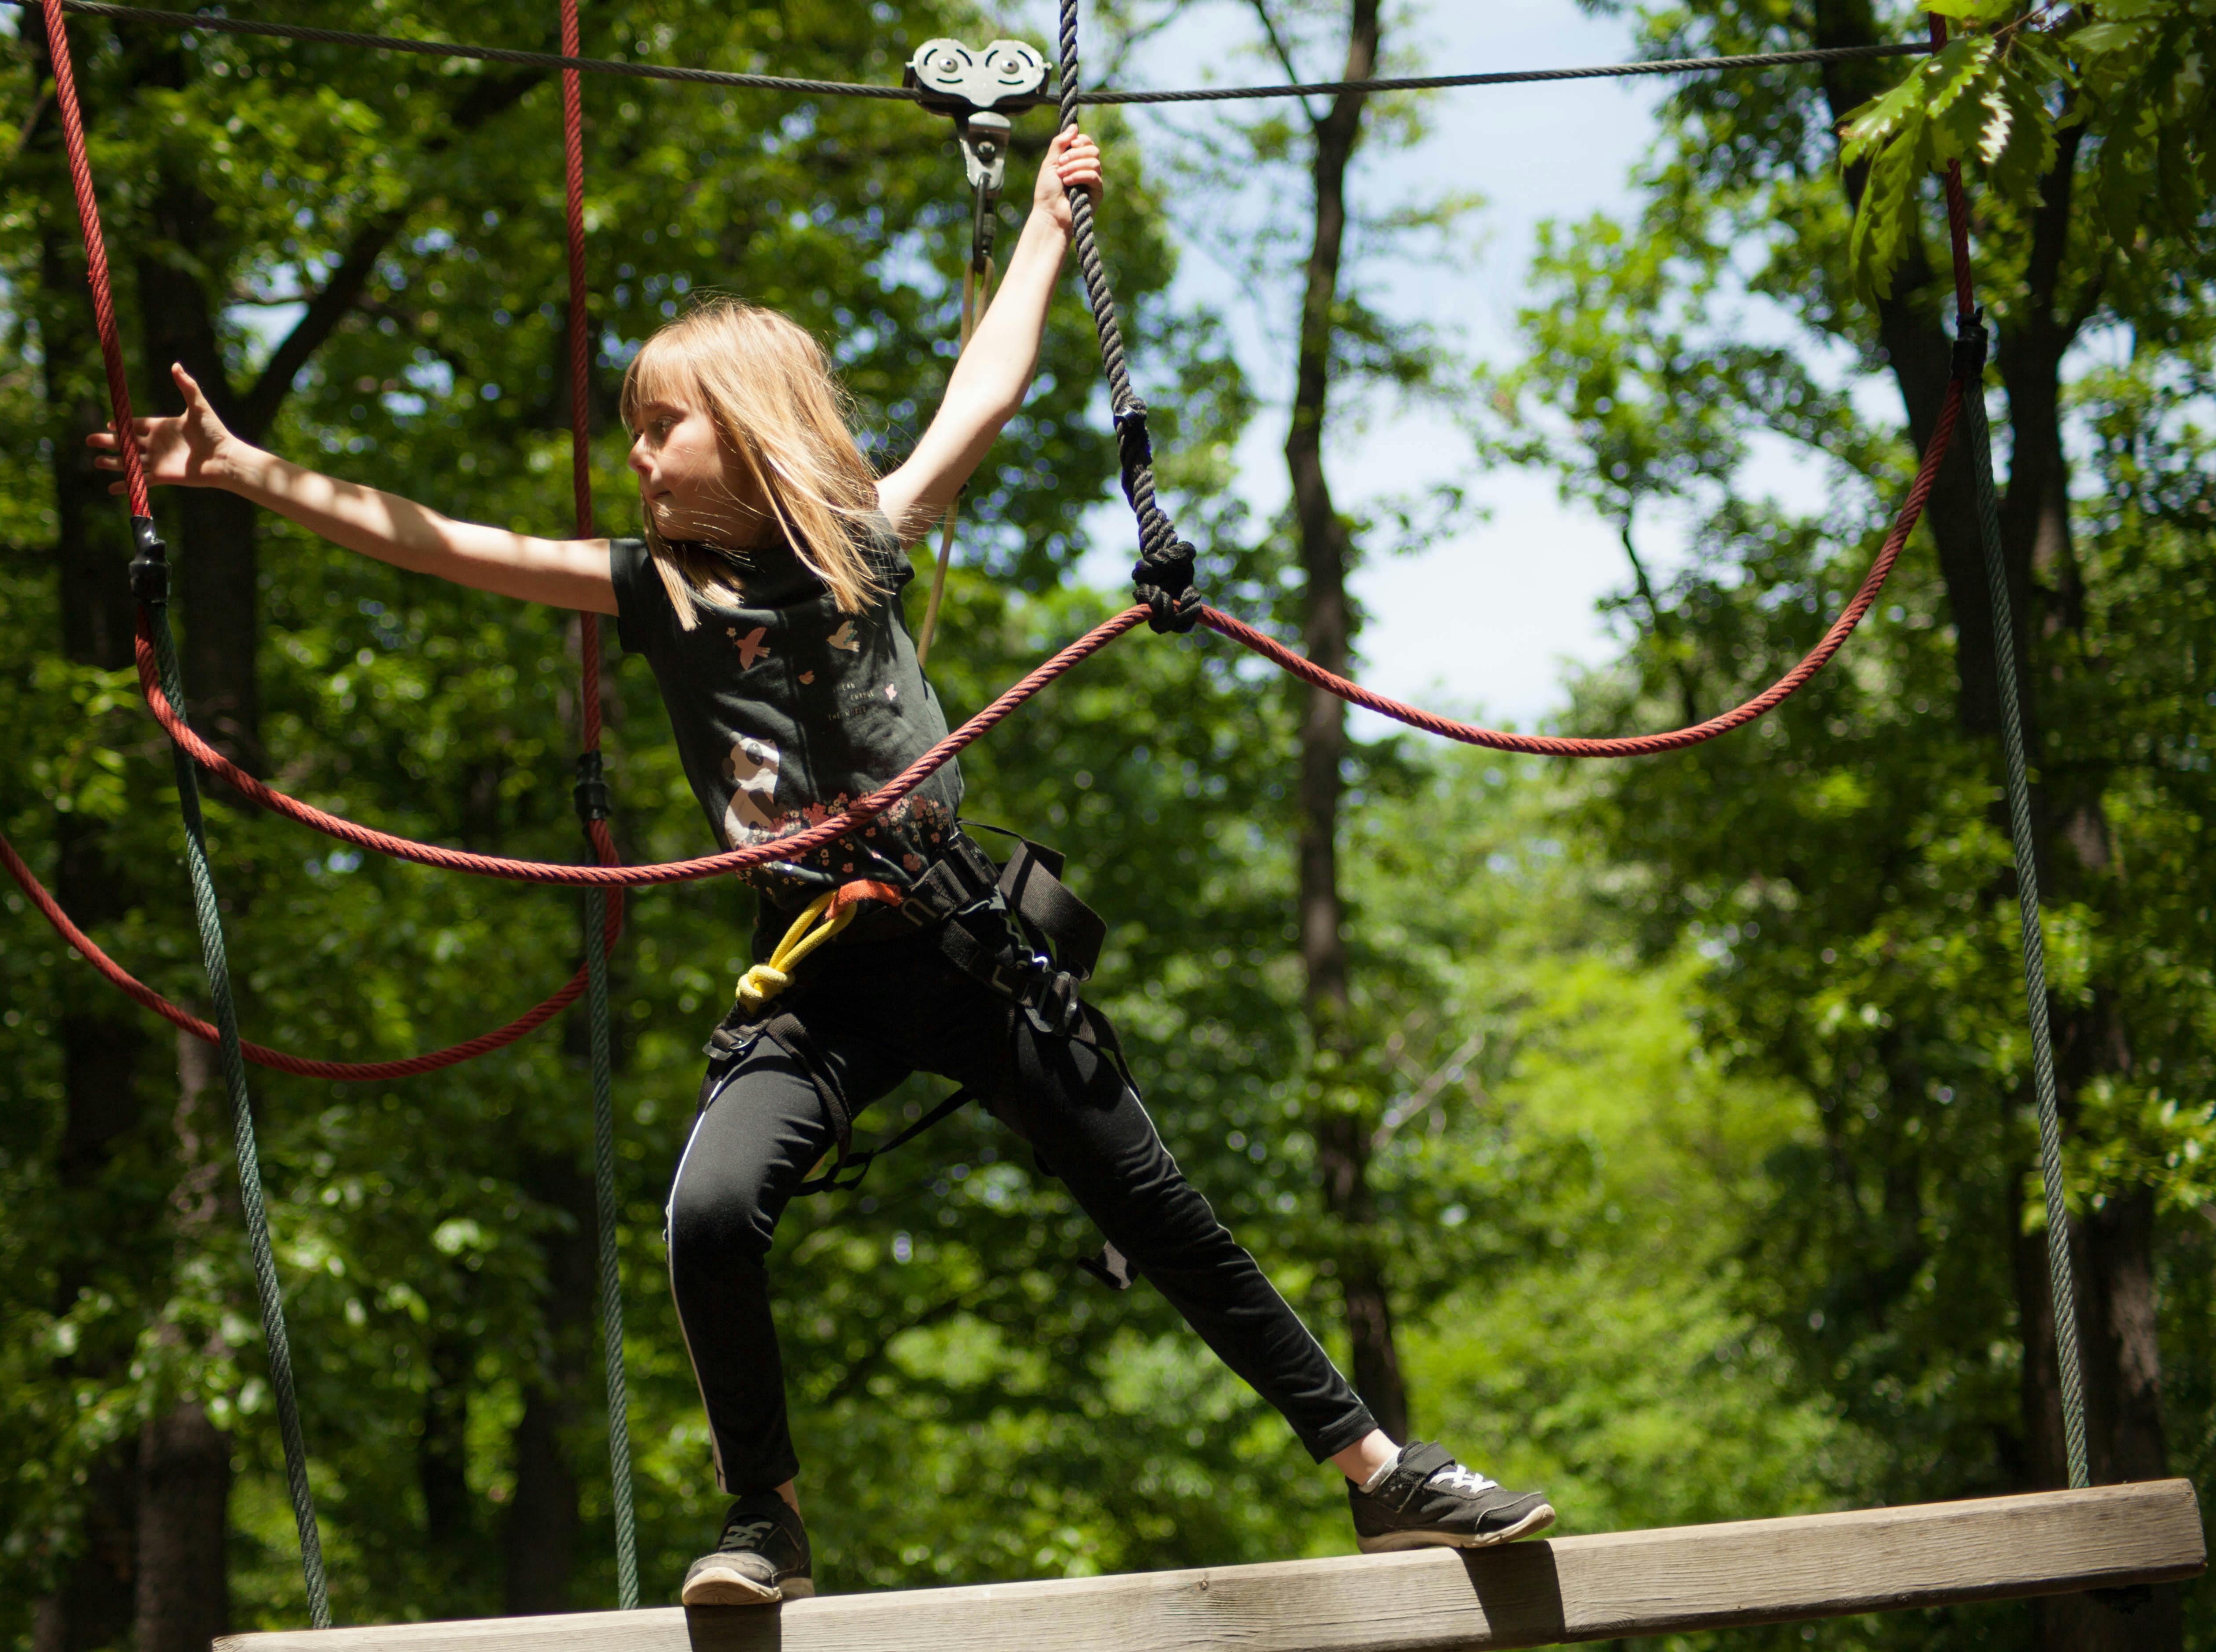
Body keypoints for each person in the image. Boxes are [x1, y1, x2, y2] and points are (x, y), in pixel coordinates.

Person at [93, 124, 1554, 1607]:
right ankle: (765, 1518)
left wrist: (1049, 221)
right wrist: (247, 473)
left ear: (750, 427)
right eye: (638, 425)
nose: (640, 451)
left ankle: (1382, 1476)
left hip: (964, 951)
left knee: (1156, 1204)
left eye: (664, 423)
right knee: (710, 1213)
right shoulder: (644, 588)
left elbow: (985, 393)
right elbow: (439, 541)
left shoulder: (867, 546)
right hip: (817, 985)